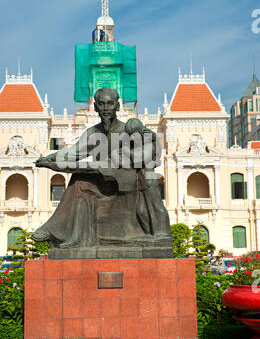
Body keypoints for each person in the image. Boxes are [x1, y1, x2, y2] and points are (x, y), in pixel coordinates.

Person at [31, 87, 172, 249]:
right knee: (79, 181)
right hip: (104, 183)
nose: (106, 108)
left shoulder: (128, 130)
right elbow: (72, 153)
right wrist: (50, 158)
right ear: (96, 106)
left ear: (117, 107)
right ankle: (75, 238)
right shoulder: (92, 133)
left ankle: (56, 230)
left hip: (129, 185)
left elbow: (149, 150)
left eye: (110, 104)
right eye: (102, 104)